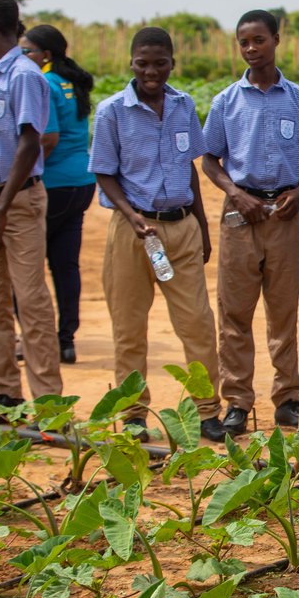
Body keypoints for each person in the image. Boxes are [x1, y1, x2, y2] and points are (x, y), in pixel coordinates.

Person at [90, 26, 223, 441]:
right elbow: (104, 173)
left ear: (172, 64)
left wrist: (201, 225)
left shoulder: (184, 106)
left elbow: (190, 168)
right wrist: (130, 215)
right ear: (131, 64)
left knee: (198, 324)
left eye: (160, 63)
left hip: (180, 229)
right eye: (143, 63)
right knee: (129, 328)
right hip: (133, 232)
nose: (151, 71)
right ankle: (133, 415)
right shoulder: (111, 111)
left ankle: (207, 412)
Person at [202, 10, 299, 436]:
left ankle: (288, 399)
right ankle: (237, 402)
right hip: (239, 215)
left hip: (285, 215)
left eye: (258, 40)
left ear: (275, 40)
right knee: (234, 314)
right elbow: (209, 161)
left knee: (282, 311)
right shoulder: (225, 102)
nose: (251, 49)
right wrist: (236, 194)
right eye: (244, 42)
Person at [0, 0, 62, 408]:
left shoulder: (24, 75)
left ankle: (47, 403)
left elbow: (29, 144)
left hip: (16, 203)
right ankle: (5, 394)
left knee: (31, 300)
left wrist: (0, 209)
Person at [19, 25, 96, 365]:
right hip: (81, 182)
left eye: (27, 51)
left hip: (52, 185)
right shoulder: (72, 81)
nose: (23, 58)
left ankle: (33, 339)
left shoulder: (44, 83)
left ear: (45, 55)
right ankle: (66, 340)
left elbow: (47, 139)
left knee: (27, 266)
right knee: (66, 266)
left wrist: (21, 176)